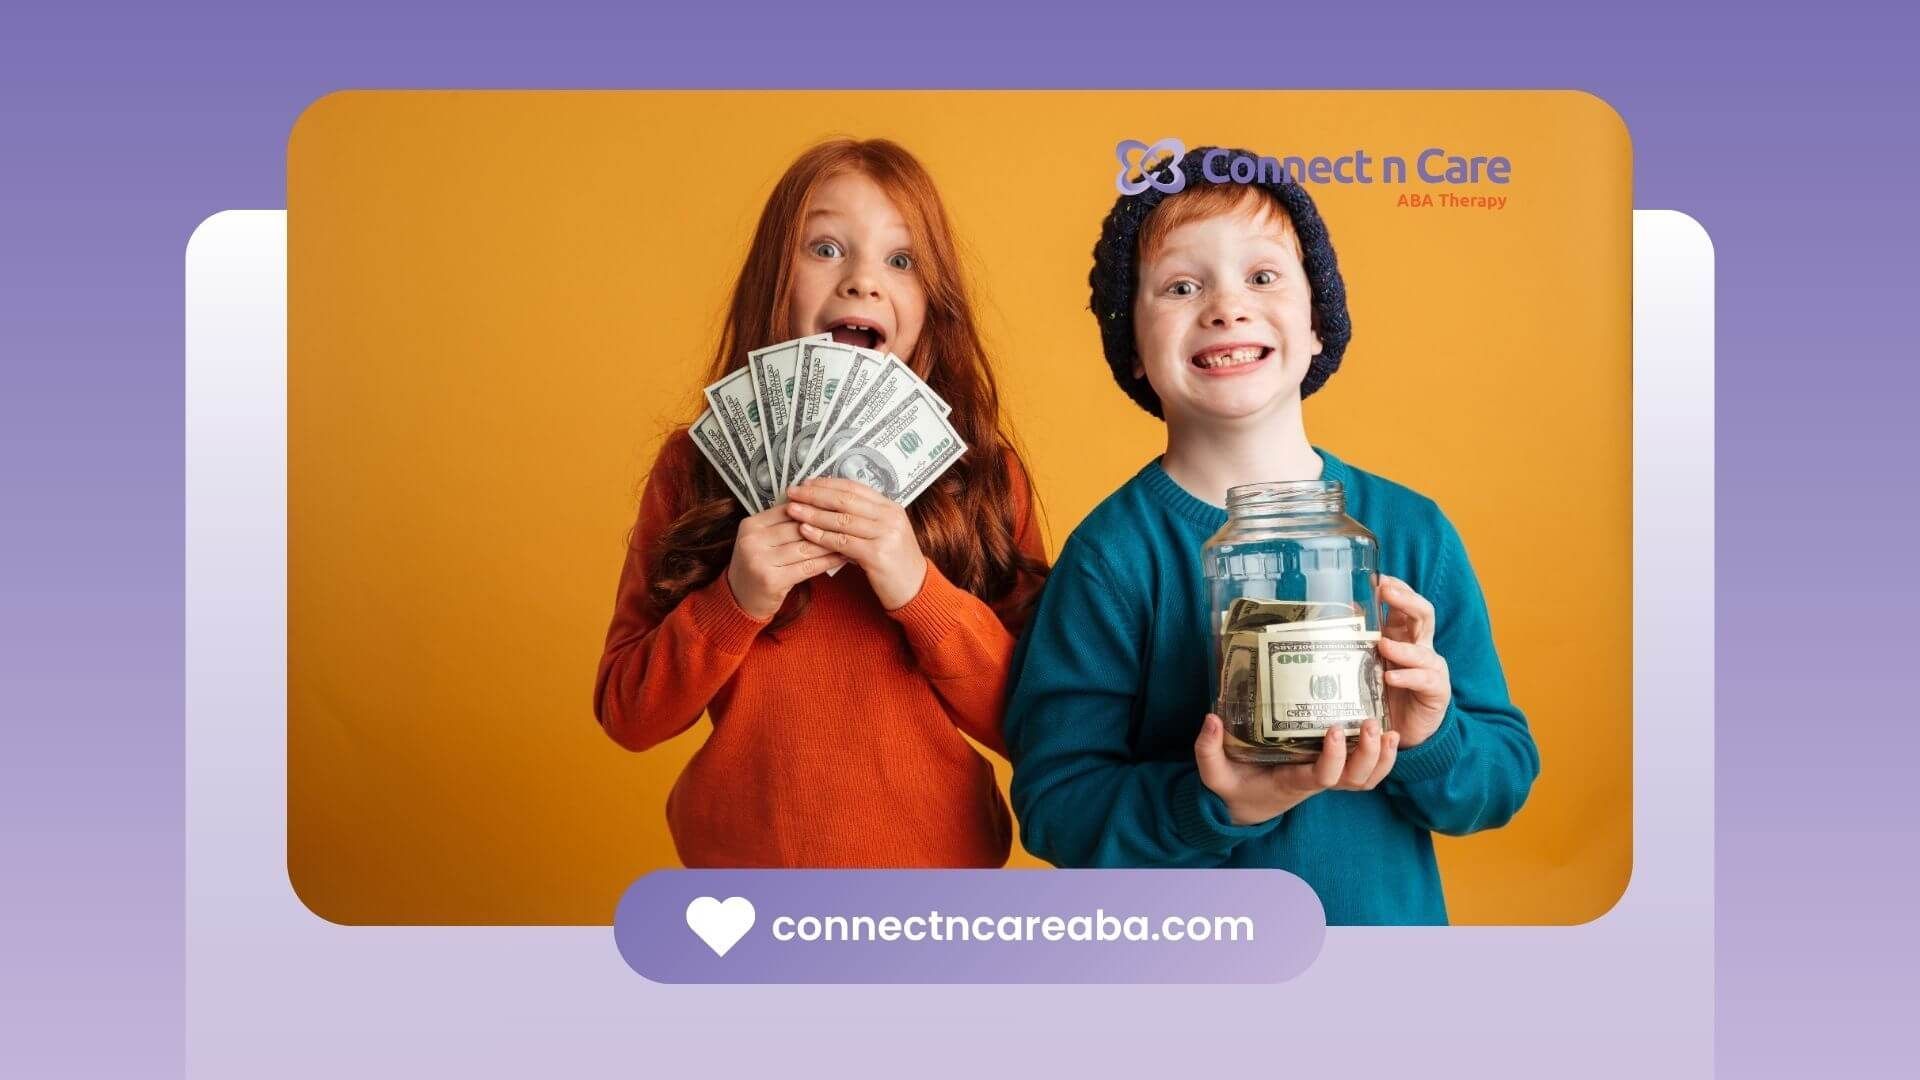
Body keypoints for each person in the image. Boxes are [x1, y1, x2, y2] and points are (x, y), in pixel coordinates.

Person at [1003, 147, 1539, 924]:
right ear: (1135, 352)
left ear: (1319, 322)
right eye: (1182, 286)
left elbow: (1500, 782)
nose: (1226, 307)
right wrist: (1215, 802)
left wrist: (1431, 736)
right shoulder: (1110, 559)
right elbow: (1057, 808)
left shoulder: (1412, 532)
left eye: (1261, 277)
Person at [594, 138, 1048, 868]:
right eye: (827, 247)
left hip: (938, 890)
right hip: (744, 887)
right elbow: (629, 713)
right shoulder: (696, 466)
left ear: (934, 306)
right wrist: (734, 599)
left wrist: (918, 591)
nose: (864, 282)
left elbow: (1035, 722)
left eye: (902, 261)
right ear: (774, 279)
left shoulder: (982, 477)